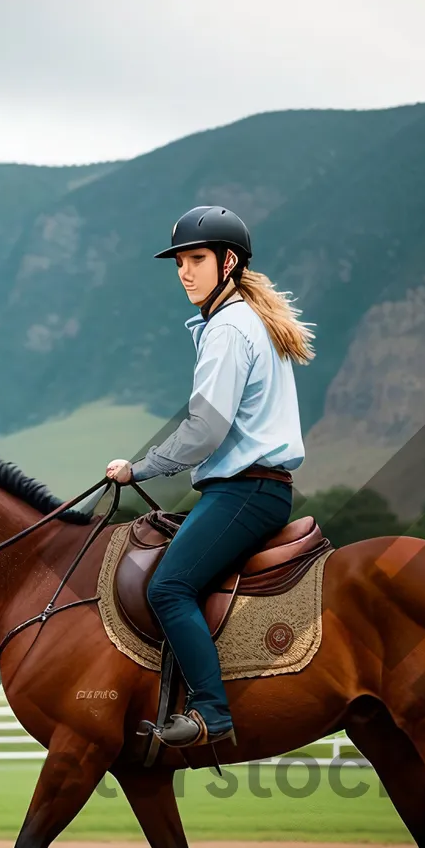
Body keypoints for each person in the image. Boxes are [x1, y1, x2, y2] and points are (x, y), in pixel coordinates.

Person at [106, 206, 314, 749]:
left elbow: (204, 432)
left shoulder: (228, 328)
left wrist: (140, 468)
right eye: (179, 262)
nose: (185, 272)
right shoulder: (249, 320)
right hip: (252, 489)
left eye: (196, 259)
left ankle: (212, 714)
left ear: (228, 262)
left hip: (245, 490)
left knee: (169, 587)